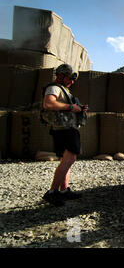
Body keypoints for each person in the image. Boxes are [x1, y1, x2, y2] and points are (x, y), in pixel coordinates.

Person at [41, 64, 88, 206]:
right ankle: (52, 192)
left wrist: (79, 109)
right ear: (60, 75)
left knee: (65, 160)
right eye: (69, 78)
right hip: (65, 129)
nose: (72, 82)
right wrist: (70, 107)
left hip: (63, 128)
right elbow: (48, 104)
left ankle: (63, 190)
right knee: (70, 159)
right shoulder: (54, 88)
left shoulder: (64, 90)